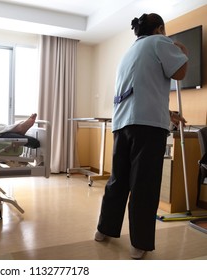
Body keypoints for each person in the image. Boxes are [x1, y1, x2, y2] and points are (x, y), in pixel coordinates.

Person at [94, 13, 188, 259]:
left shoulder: (128, 53)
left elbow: (140, 90)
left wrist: (167, 113)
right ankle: (140, 243)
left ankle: (104, 229)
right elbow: (180, 73)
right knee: (144, 185)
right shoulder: (160, 42)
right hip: (147, 127)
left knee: (119, 180)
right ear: (159, 29)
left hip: (123, 124)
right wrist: (181, 48)